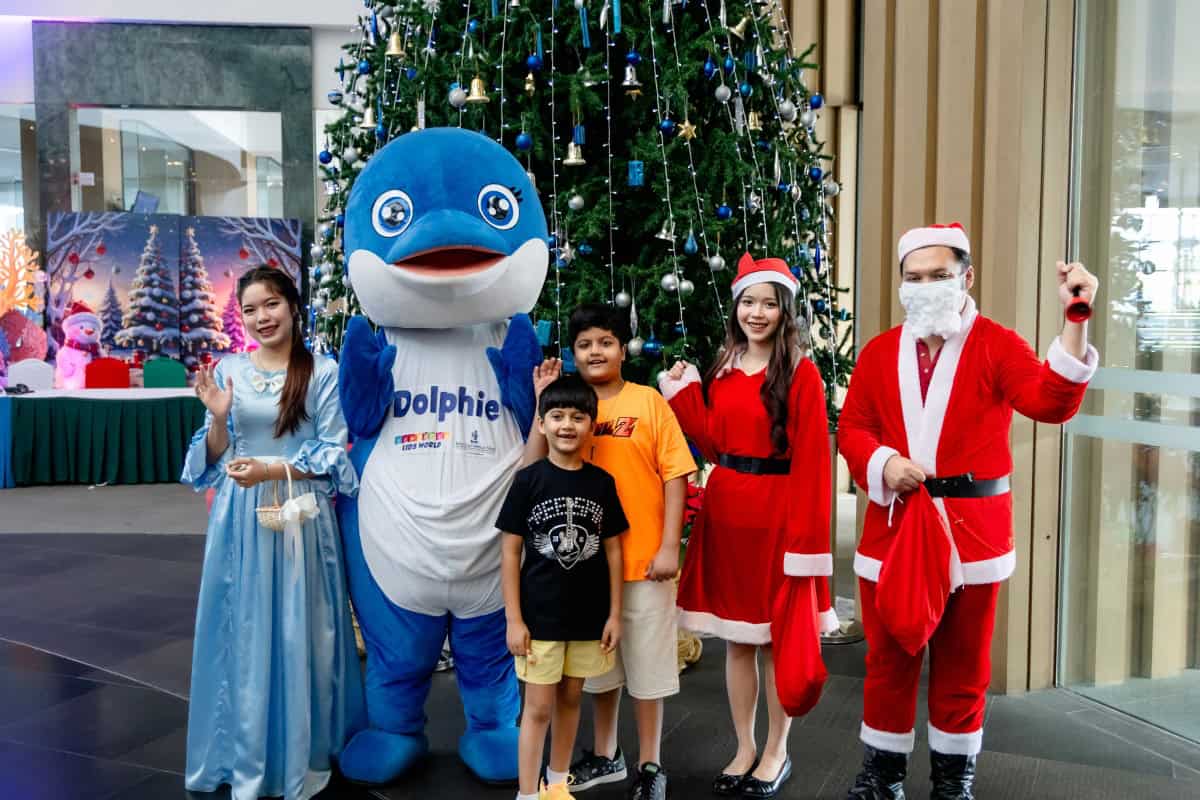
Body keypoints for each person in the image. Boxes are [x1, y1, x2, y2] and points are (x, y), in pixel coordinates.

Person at [837, 223, 1099, 799]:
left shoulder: (997, 345)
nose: (925, 287)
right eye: (913, 278)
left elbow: (1049, 402)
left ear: (967, 278)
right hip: (893, 528)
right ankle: (880, 779)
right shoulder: (880, 352)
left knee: (962, 665)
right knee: (888, 661)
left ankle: (953, 784)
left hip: (971, 537)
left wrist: (1075, 320)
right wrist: (883, 463)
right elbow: (853, 427)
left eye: (939, 275)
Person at [658, 253, 838, 798]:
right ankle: (744, 746)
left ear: (784, 310)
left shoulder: (801, 373)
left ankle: (778, 750)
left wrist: (806, 544)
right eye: (747, 302)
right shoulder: (723, 367)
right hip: (729, 511)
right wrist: (685, 395)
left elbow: (812, 463)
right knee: (737, 642)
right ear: (736, 307)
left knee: (778, 643)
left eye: (767, 303)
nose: (756, 313)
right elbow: (713, 443)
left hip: (779, 517)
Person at [182, 266, 365, 800]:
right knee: (240, 629)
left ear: (292, 306)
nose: (262, 318)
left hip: (300, 518)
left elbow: (334, 452)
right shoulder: (231, 368)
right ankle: (242, 752)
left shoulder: (321, 371)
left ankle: (299, 751)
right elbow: (214, 453)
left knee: (299, 630)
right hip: (239, 518)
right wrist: (217, 418)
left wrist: (274, 470)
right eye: (251, 310)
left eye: (272, 305)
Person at [553, 304, 695, 800]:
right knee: (600, 671)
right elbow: (537, 470)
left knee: (650, 670)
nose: (596, 351)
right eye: (585, 344)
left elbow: (677, 475)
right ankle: (606, 754)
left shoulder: (649, 401)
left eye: (606, 342)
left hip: (645, 565)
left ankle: (651, 765)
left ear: (623, 349)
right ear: (573, 354)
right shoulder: (569, 409)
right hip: (587, 567)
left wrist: (668, 546)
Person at [499, 375, 627, 800]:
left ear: (592, 424)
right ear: (541, 424)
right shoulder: (528, 481)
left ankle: (556, 785)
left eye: (577, 416)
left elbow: (612, 552)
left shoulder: (602, 483)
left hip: (588, 618)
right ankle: (526, 793)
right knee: (536, 708)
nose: (567, 425)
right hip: (540, 621)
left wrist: (613, 614)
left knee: (572, 698)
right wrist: (514, 620)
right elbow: (509, 553)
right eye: (556, 416)